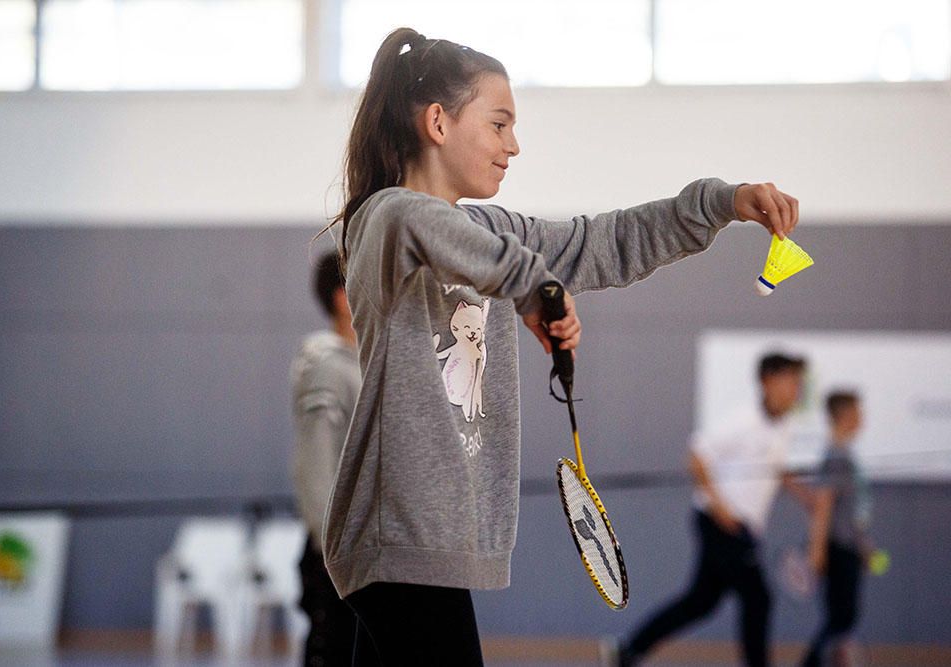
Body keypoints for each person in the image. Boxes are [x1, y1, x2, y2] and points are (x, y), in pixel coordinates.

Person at [320, 27, 800, 666]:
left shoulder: (490, 228)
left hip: (433, 536)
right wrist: (532, 287)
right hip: (399, 534)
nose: (513, 146)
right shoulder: (385, 218)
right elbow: (428, 225)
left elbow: (600, 241)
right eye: (499, 124)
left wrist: (719, 204)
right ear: (438, 121)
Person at [618, 353, 812, 667]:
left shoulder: (785, 426)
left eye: (799, 382)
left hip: (743, 529)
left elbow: (775, 467)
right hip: (721, 525)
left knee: (700, 602)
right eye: (790, 380)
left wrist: (805, 496)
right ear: (767, 381)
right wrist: (722, 509)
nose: (796, 388)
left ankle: (628, 651)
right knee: (758, 598)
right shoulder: (743, 420)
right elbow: (696, 455)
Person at [289, 251, 360, 666]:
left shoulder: (364, 363)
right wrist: (330, 543)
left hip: (364, 549)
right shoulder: (327, 371)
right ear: (342, 298)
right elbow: (315, 463)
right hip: (336, 554)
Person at [801, 390, 871, 667]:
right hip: (838, 549)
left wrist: (863, 544)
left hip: (848, 547)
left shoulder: (844, 455)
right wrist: (816, 551)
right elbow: (824, 505)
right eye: (858, 411)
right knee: (840, 618)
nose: (863, 419)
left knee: (843, 618)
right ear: (845, 415)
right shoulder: (836, 457)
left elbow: (845, 510)